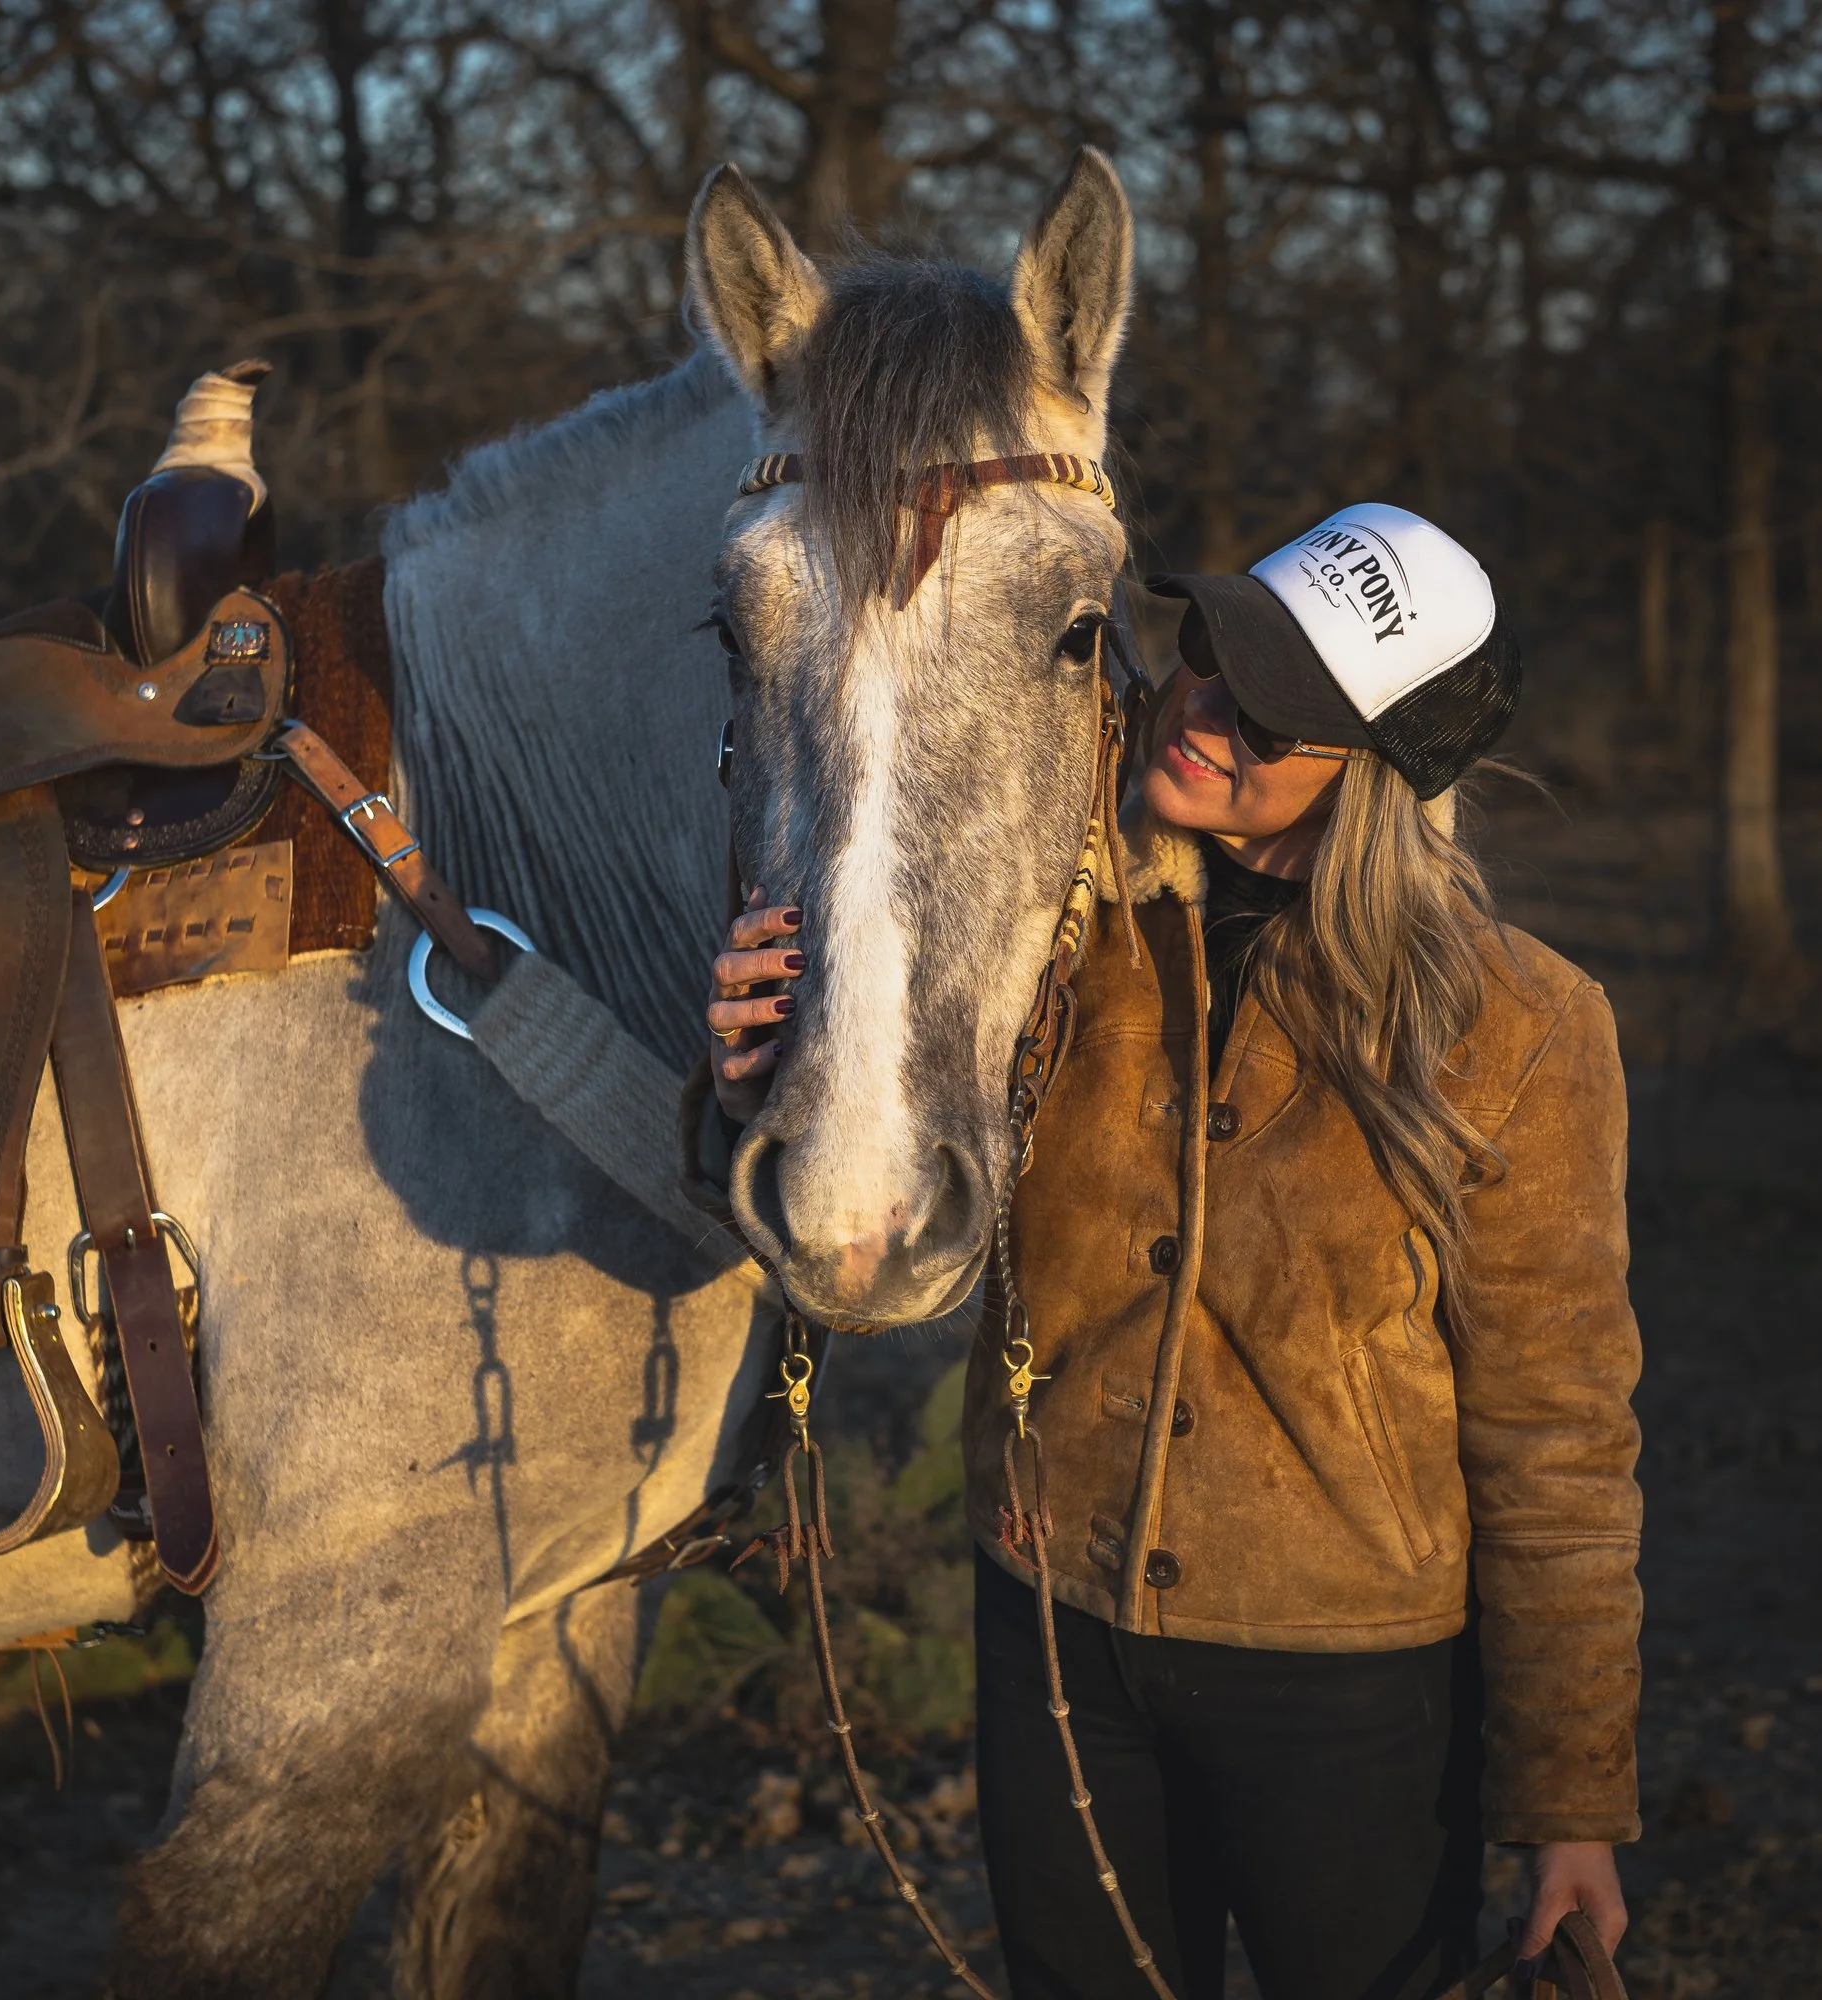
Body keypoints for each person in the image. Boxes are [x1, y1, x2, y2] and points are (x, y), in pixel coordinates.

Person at [701, 505, 1642, 2000]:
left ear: (1378, 777)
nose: (1204, 708)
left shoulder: (1520, 1033)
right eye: (1210, 649)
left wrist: (1573, 1804)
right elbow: (883, 1198)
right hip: (1053, 1633)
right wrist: (775, 1077)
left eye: (1273, 711)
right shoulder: (1055, 927)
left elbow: (1563, 1447)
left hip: (1346, 1691)